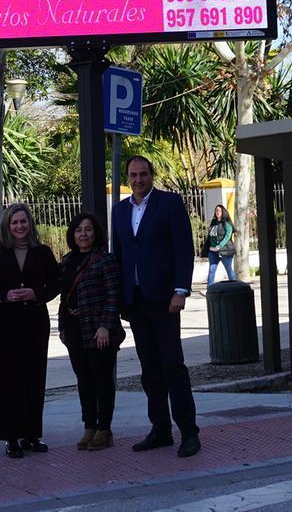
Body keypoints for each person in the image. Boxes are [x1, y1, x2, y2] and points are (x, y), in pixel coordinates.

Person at [111, 155, 201, 458]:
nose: (138, 180)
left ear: (152, 175)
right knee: (149, 369)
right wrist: (121, 298)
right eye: (133, 175)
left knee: (172, 366)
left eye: (143, 174)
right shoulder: (120, 211)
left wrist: (181, 290)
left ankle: (189, 432)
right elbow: (121, 255)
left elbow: (183, 249)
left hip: (164, 299)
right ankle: (160, 429)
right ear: (127, 178)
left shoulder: (169, 203)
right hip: (136, 302)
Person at [0, 203, 60, 458]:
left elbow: (57, 283)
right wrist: (5, 295)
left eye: (23, 222)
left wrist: (36, 293)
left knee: (34, 378)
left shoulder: (43, 252)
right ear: (7, 225)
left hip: (34, 324)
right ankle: (11, 436)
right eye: (14, 223)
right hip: (4, 326)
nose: (19, 227)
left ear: (30, 224)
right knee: (7, 381)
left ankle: (31, 434)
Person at [58, 212, 124, 452]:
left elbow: (113, 295)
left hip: (98, 329)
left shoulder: (104, 260)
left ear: (95, 233)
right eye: (78, 230)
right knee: (83, 379)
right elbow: (64, 297)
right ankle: (89, 425)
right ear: (72, 234)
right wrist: (63, 326)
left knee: (102, 379)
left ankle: (104, 429)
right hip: (75, 328)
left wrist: (105, 325)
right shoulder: (66, 261)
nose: (83, 234)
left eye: (87, 229)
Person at [205, 204, 237, 284]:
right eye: (216, 210)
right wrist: (209, 247)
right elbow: (210, 236)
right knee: (211, 271)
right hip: (213, 252)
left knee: (228, 269)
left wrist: (219, 246)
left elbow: (228, 236)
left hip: (225, 251)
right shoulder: (213, 223)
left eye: (219, 210)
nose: (217, 212)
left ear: (223, 212)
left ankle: (234, 287)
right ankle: (210, 290)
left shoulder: (226, 223)